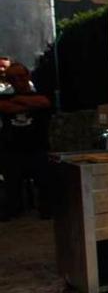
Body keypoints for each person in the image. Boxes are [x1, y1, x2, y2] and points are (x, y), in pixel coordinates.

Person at [0, 62, 53, 220]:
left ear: (28, 76)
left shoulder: (42, 92)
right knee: (11, 180)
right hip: (12, 149)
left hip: (38, 146)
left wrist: (17, 101)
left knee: (44, 179)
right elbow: (5, 107)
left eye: (21, 77)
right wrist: (28, 104)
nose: (18, 81)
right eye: (13, 78)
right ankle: (14, 208)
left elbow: (44, 103)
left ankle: (46, 208)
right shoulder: (5, 97)